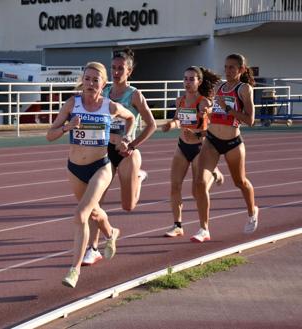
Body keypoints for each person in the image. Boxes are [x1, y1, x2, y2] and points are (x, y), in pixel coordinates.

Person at [46, 62, 135, 288]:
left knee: (82, 214)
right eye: (87, 79)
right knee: (94, 212)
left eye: (96, 80)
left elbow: (131, 118)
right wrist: (68, 127)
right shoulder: (72, 104)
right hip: (75, 169)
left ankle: (74, 270)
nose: (91, 84)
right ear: (82, 81)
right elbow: (50, 134)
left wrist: (127, 137)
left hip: (100, 167)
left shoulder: (110, 106)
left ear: (103, 84)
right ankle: (111, 231)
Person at [81, 48, 157, 266]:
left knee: (128, 206)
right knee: (96, 203)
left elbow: (151, 125)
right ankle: (93, 248)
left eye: (120, 68)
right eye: (113, 68)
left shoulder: (134, 95)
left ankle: (138, 177)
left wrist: (131, 144)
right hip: (104, 153)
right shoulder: (102, 92)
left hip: (126, 154)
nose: (115, 72)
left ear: (129, 71)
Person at [192, 53, 259, 242]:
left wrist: (228, 109)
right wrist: (208, 110)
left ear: (241, 70)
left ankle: (252, 211)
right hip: (212, 140)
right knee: (199, 182)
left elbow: (250, 120)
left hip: (232, 143)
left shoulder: (244, 89)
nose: (228, 71)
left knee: (240, 182)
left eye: (232, 67)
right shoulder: (220, 87)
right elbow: (217, 111)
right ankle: (204, 228)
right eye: (226, 67)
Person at [162, 66, 224, 238]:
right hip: (182, 146)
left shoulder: (204, 102)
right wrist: (170, 125)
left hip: (200, 148)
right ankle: (177, 225)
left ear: (199, 81)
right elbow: (177, 120)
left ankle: (204, 229)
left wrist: (198, 131)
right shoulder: (180, 101)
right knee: (175, 186)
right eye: (185, 79)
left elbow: (215, 129)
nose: (187, 83)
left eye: (191, 79)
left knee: (197, 190)